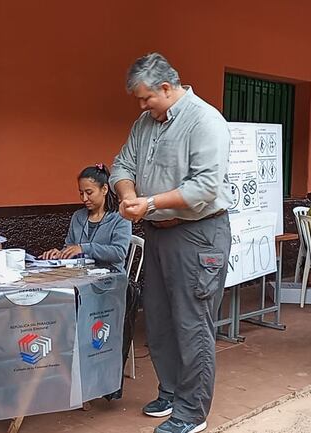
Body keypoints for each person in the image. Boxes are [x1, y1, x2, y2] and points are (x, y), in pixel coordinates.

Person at [110, 53, 232, 433]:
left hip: (198, 234)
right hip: (158, 233)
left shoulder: (205, 121)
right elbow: (122, 165)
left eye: (146, 98)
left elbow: (205, 187)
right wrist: (129, 195)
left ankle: (192, 413)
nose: (143, 106)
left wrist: (148, 203)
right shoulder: (145, 123)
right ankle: (171, 391)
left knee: (192, 324)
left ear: (167, 87)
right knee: (160, 320)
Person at [40, 164, 132, 272]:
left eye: (89, 193)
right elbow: (70, 247)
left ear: (104, 189)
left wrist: (84, 248)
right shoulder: (78, 216)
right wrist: (60, 254)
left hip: (110, 278)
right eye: (81, 193)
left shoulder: (120, 217)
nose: (84, 198)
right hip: (79, 275)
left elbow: (119, 253)